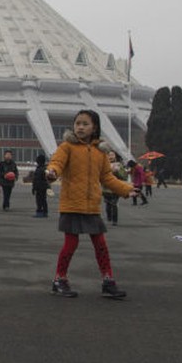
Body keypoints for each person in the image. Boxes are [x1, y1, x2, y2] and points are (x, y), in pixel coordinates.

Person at [45, 110, 135, 298]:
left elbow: (107, 178)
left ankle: (108, 280)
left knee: (100, 244)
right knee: (71, 244)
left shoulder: (99, 152)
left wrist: (126, 189)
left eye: (85, 124)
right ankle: (59, 279)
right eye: (77, 123)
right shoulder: (67, 146)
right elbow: (57, 163)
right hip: (72, 204)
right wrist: (52, 172)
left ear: (94, 127)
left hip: (92, 206)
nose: (80, 127)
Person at [101, 148, 124, 227]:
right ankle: (109, 216)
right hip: (106, 188)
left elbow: (124, 176)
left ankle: (115, 220)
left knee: (114, 204)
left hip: (115, 188)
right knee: (108, 204)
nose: (110, 156)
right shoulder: (103, 164)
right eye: (109, 155)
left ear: (115, 156)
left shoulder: (119, 165)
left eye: (112, 155)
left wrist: (117, 172)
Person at [32, 153, 49, 217]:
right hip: (43, 187)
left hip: (39, 187)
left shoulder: (39, 169)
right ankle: (45, 212)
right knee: (43, 200)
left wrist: (34, 188)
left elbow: (36, 179)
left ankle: (40, 212)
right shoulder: (45, 169)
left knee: (39, 200)